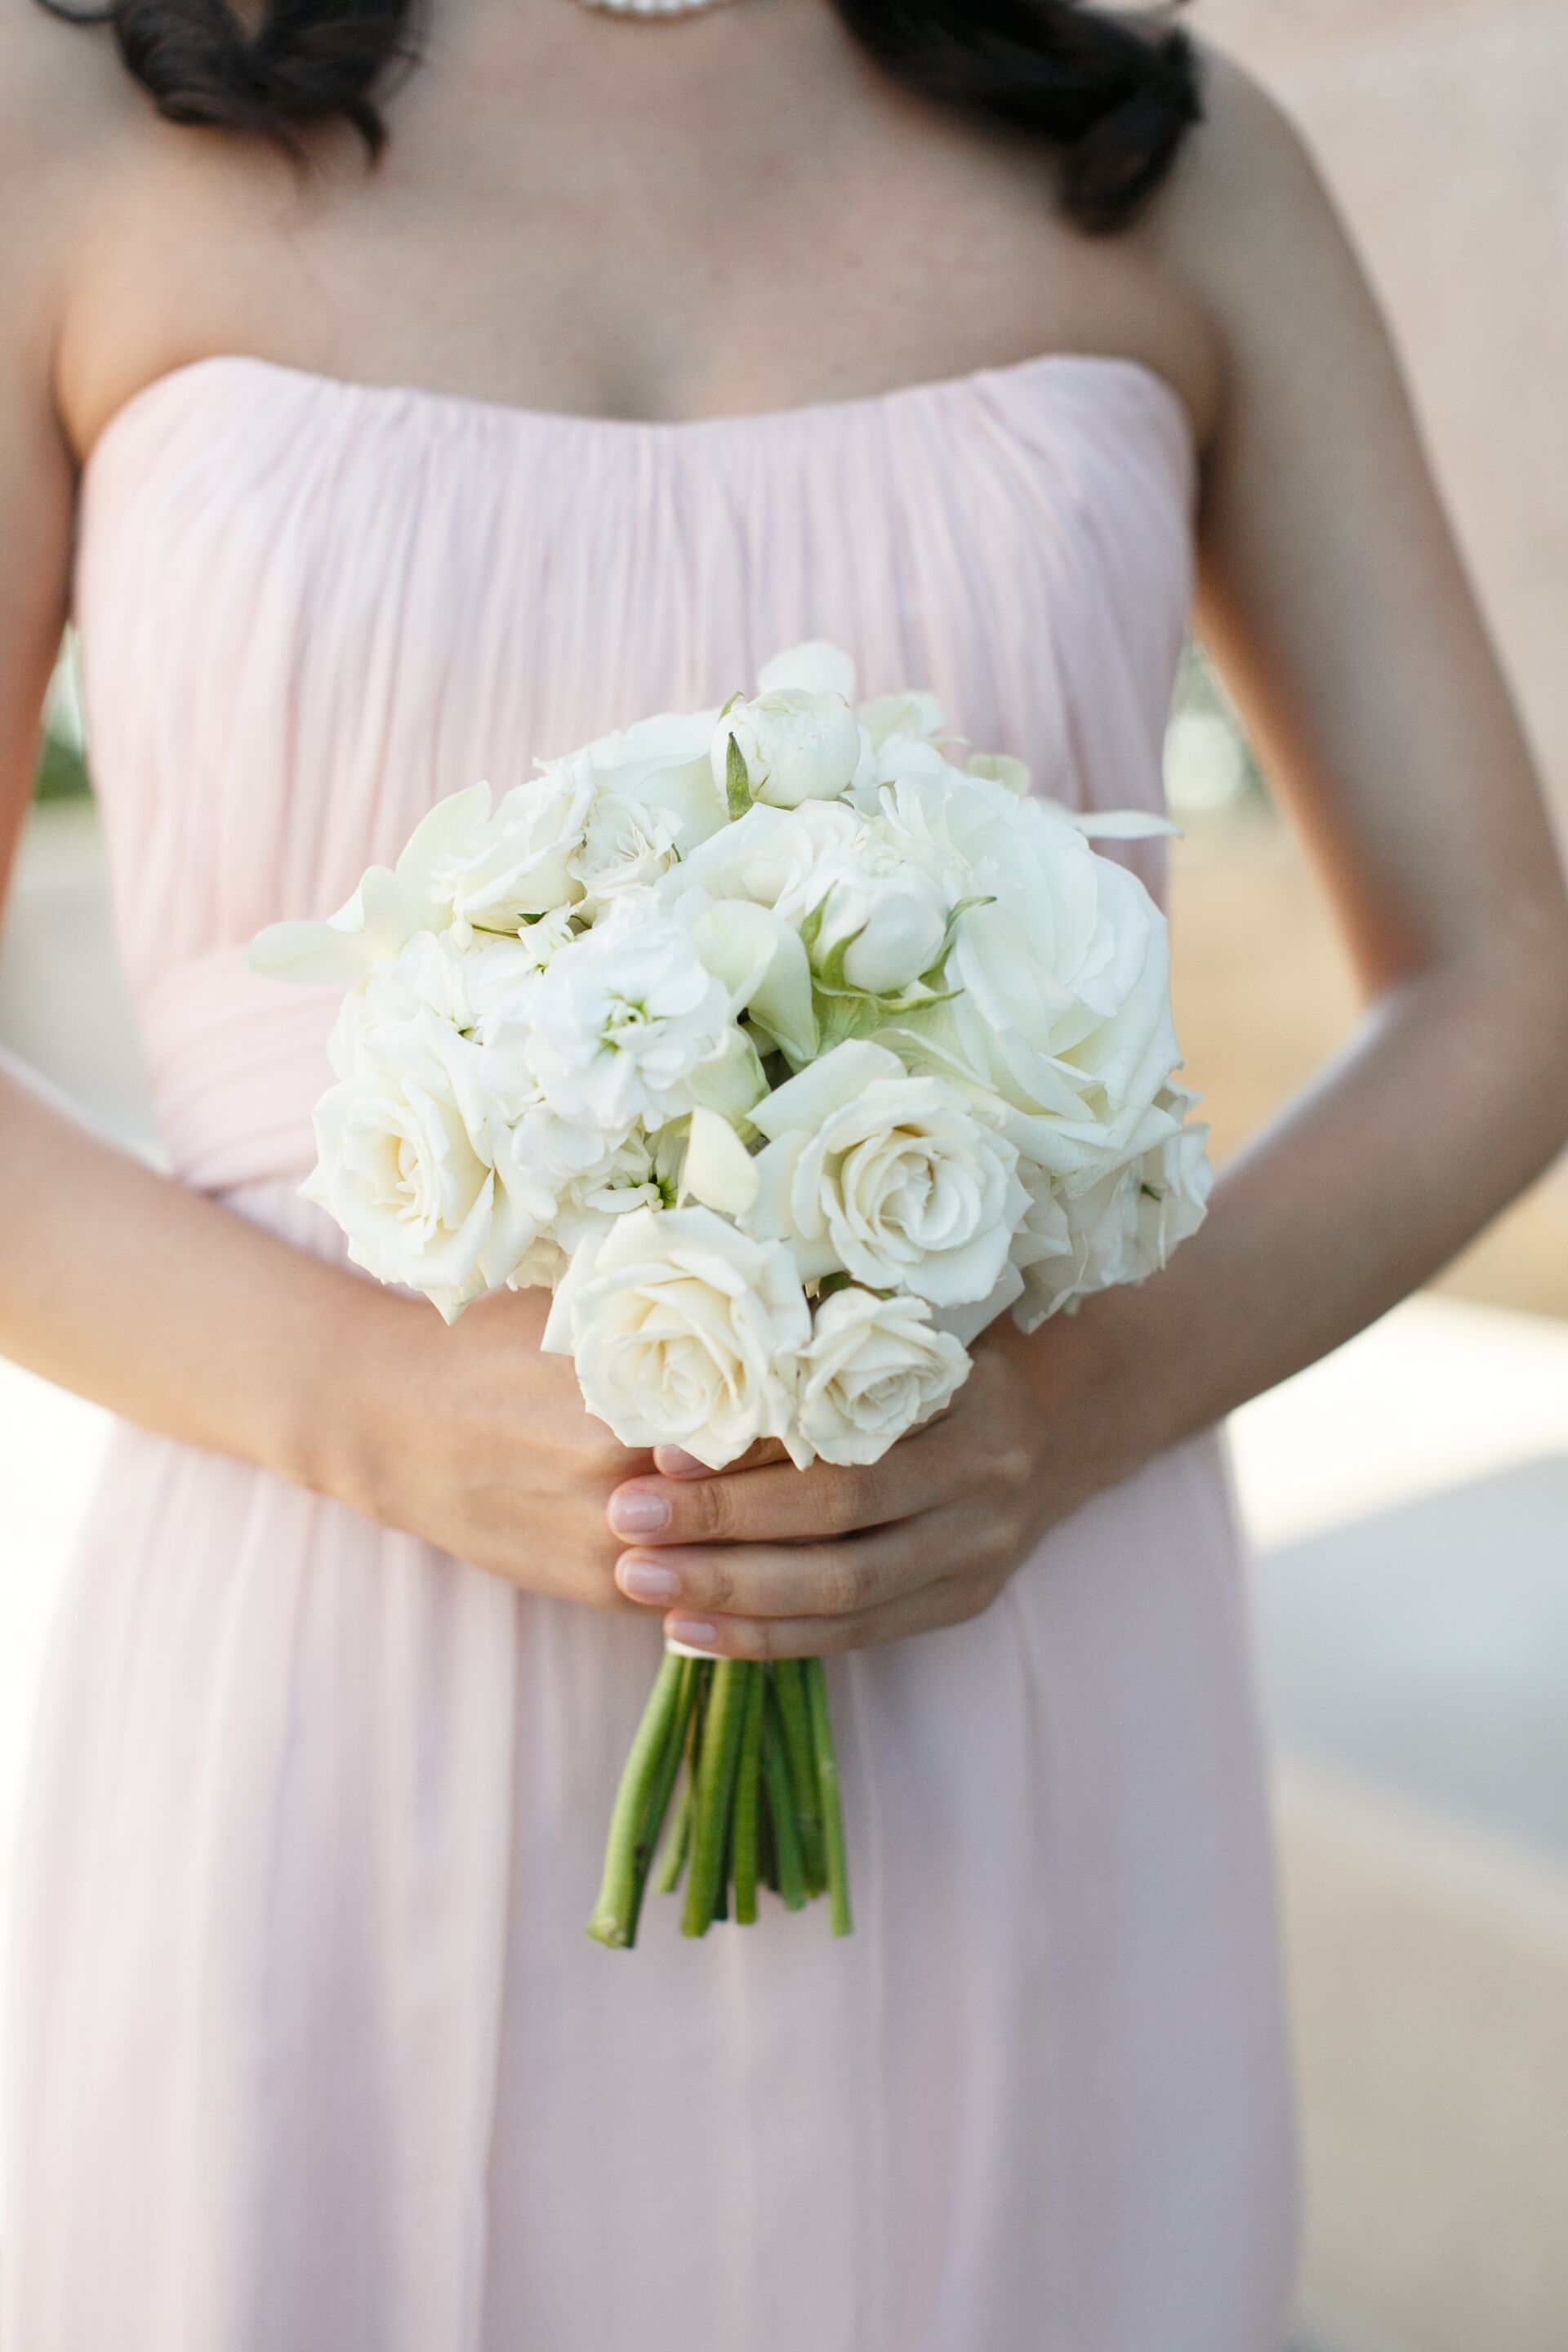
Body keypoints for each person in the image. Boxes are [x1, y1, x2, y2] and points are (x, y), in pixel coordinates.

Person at [2, 1, 1565, 2345]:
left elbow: (1505, 972)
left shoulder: (1169, 152)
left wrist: (1066, 1421)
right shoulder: (75, 110)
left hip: (1003, 1616)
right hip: (320, 1652)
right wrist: (372, 1403)